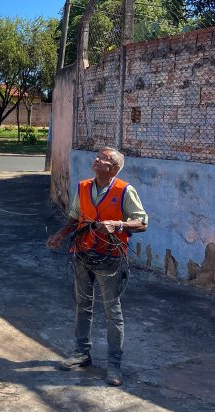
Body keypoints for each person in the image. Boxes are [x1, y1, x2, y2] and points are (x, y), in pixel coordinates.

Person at [46, 148, 148, 386]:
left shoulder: (125, 190)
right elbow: (75, 218)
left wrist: (119, 224)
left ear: (114, 168)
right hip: (82, 253)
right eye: (98, 156)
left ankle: (114, 364)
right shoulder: (83, 187)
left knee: (112, 311)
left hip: (110, 258)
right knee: (83, 305)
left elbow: (142, 222)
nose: (97, 159)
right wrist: (60, 235)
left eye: (104, 158)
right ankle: (81, 354)